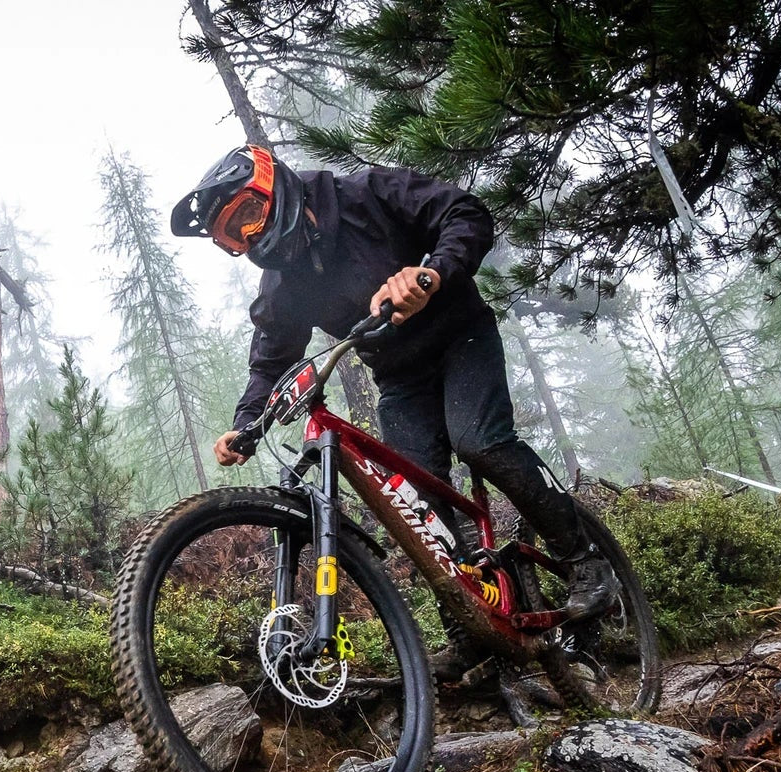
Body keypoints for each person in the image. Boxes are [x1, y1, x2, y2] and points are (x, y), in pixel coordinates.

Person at [169, 144, 615, 675]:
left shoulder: (364, 194)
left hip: (459, 335)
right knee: (418, 502)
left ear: (273, 185)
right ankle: (471, 630)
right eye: (231, 236)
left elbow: (464, 213)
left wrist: (429, 273)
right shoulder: (283, 285)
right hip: (400, 376)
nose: (249, 236)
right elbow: (270, 362)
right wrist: (245, 424)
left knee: (479, 441)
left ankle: (583, 558)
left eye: (248, 214)